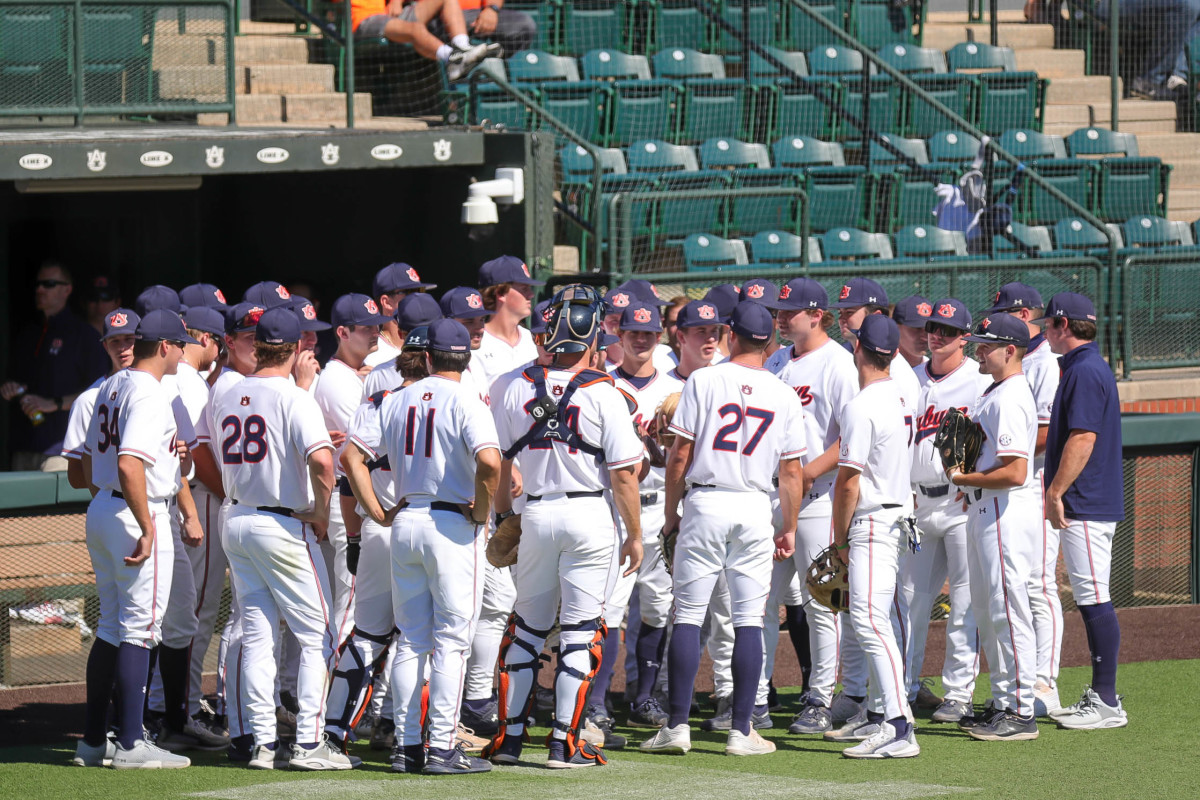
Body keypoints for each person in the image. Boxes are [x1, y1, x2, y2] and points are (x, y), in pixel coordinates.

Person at [485, 284, 644, 769]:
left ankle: (510, 740)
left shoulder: (508, 384)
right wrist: (635, 534)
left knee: (528, 628)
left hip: (533, 512)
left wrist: (505, 516)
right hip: (589, 515)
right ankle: (564, 743)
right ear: (593, 332)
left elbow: (494, 463)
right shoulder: (606, 392)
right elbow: (623, 475)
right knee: (580, 632)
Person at [641, 302, 807, 758]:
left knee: (689, 616)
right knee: (748, 620)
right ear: (769, 342)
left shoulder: (704, 379)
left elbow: (678, 456)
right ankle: (740, 731)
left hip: (706, 501)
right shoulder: (784, 393)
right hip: (756, 504)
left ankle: (676, 726)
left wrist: (672, 513)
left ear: (732, 335)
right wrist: (788, 526)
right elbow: (792, 473)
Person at [352, 318, 502, 774]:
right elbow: (491, 462)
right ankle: (441, 747)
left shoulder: (397, 398)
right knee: (452, 640)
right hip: (452, 523)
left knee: (411, 640)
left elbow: (351, 457)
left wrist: (377, 512)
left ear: (430, 356)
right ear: (466, 358)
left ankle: (407, 746)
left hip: (407, 517)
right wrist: (481, 511)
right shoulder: (467, 398)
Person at [211, 307, 352, 771]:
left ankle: (259, 742)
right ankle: (310, 744)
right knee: (317, 634)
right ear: (293, 349)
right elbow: (324, 463)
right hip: (280, 522)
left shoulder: (228, 392)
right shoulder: (293, 396)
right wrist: (318, 509)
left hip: (236, 517)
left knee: (257, 635)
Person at [74, 309, 202, 770]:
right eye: (180, 345)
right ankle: (130, 743)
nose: (183, 352)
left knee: (112, 625)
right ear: (165, 347)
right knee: (139, 629)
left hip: (105, 507)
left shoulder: (111, 384)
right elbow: (131, 464)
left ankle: (93, 742)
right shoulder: (147, 391)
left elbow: (91, 464)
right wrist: (148, 526)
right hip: (135, 510)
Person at [331, 326, 434, 760]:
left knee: (368, 633)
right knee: (423, 636)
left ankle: (332, 732)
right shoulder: (444, 402)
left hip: (381, 528)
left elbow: (348, 464)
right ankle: (412, 738)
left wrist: (368, 518)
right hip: (428, 526)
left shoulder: (378, 399)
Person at [768, 278, 860, 736]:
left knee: (822, 603)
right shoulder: (776, 361)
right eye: (779, 311)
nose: (781, 318)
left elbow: (849, 436)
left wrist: (805, 474)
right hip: (773, 499)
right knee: (760, 603)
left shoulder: (839, 364)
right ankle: (756, 695)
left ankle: (821, 697)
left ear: (817, 315)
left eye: (790, 312)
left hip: (819, 501)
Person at [828, 314, 919, 759]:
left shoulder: (862, 405)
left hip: (871, 522)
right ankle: (892, 718)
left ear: (857, 349)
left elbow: (847, 482)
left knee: (868, 621)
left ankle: (898, 725)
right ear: (895, 353)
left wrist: (839, 541)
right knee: (875, 620)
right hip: (895, 517)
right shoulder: (902, 396)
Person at [949, 313, 1040, 741]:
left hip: (1005, 510)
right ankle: (1003, 701)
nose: (979, 350)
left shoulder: (1010, 396)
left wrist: (966, 479)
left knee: (1007, 611)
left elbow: (1017, 471)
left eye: (987, 344)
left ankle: (1022, 710)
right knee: (986, 612)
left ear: (1010, 350)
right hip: (985, 508)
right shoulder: (995, 390)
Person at [1039, 292, 1128, 730]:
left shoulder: (1086, 369)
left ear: (1064, 325)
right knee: (1090, 593)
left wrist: (1055, 492)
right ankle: (1102, 695)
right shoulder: (1083, 366)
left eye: (1049, 324)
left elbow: (1083, 439)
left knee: (1094, 595)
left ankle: (1107, 701)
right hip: (1087, 499)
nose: (1044, 331)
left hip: (1086, 502)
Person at [901, 298, 986, 724]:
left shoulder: (977, 381)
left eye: (947, 331)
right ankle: (905, 687)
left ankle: (958, 693)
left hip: (958, 504)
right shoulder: (911, 378)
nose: (937, 335)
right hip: (917, 501)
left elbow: (989, 440)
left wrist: (970, 480)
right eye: (933, 327)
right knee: (909, 600)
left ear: (965, 338)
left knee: (964, 604)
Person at [982, 282, 1063, 716]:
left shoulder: (1044, 364)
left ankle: (1042, 682)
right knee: (1011, 590)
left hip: (1033, 484)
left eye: (1008, 315)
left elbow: (1049, 434)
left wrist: (997, 456)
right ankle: (1017, 685)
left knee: (1037, 586)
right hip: (1009, 484)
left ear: (1026, 317)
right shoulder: (1014, 366)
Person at [602, 302, 684, 730]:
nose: (641, 339)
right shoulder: (602, 386)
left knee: (656, 608)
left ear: (660, 337)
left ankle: (645, 697)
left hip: (659, 509)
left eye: (649, 333)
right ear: (620, 335)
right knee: (609, 610)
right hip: (614, 510)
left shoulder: (674, 387)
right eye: (633, 332)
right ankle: (596, 701)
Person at [172, 306, 233, 746]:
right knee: (196, 612)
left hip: (170, 501)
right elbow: (202, 457)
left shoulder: (163, 377)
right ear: (205, 339)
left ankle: (167, 704)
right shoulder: (191, 384)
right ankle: (184, 709)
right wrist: (230, 495)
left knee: (178, 611)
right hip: (199, 502)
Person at [2, 261, 109, 471]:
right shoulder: (28, 334)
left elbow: (100, 393)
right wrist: (11, 388)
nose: (40, 289)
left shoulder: (84, 336)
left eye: (49, 284)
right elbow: (16, 380)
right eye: (38, 284)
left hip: (62, 450)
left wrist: (54, 403)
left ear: (67, 289)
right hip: (24, 447)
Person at [62, 308, 140, 491]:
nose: (122, 348)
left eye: (129, 339)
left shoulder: (159, 387)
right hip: (113, 501)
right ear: (105, 346)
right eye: (115, 341)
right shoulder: (88, 400)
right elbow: (75, 477)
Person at [350, 0, 502, 82]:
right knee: (415, 29)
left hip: (391, 13)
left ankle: (463, 47)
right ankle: (453, 59)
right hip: (364, 21)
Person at [475, 255, 542, 388]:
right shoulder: (476, 343)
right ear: (500, 293)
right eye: (524, 289)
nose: (531, 294)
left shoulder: (533, 339)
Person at [364, 263, 438, 369]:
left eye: (420, 291)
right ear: (386, 302)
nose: (418, 298)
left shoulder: (437, 343)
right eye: (410, 292)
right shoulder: (372, 354)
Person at [432, 0, 535, 58]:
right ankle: (462, 57)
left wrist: (491, 10)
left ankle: (497, 67)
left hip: (480, 12)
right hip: (442, 18)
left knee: (524, 24)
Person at [892, 295, 932, 368]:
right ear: (896, 328)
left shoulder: (934, 371)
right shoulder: (880, 370)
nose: (925, 337)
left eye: (929, 328)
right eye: (917, 328)